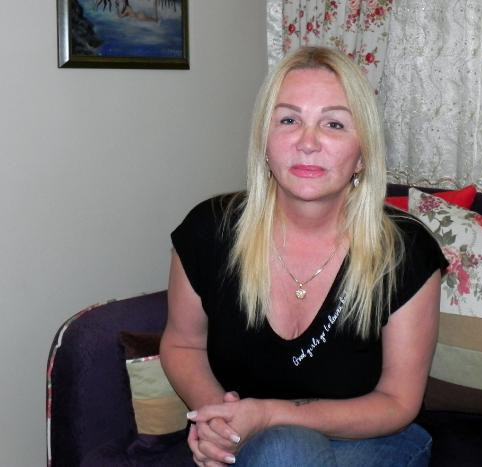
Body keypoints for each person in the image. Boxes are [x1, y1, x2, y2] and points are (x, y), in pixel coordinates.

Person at [161, 46, 447, 467]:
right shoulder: (210, 231)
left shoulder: (405, 250)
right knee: (282, 450)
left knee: (283, 449)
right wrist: (221, 423)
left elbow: (397, 401)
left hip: (370, 437)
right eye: (289, 120)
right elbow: (183, 343)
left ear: (363, 154)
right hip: (252, 439)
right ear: (265, 142)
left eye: (334, 124)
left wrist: (269, 415)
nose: (307, 143)